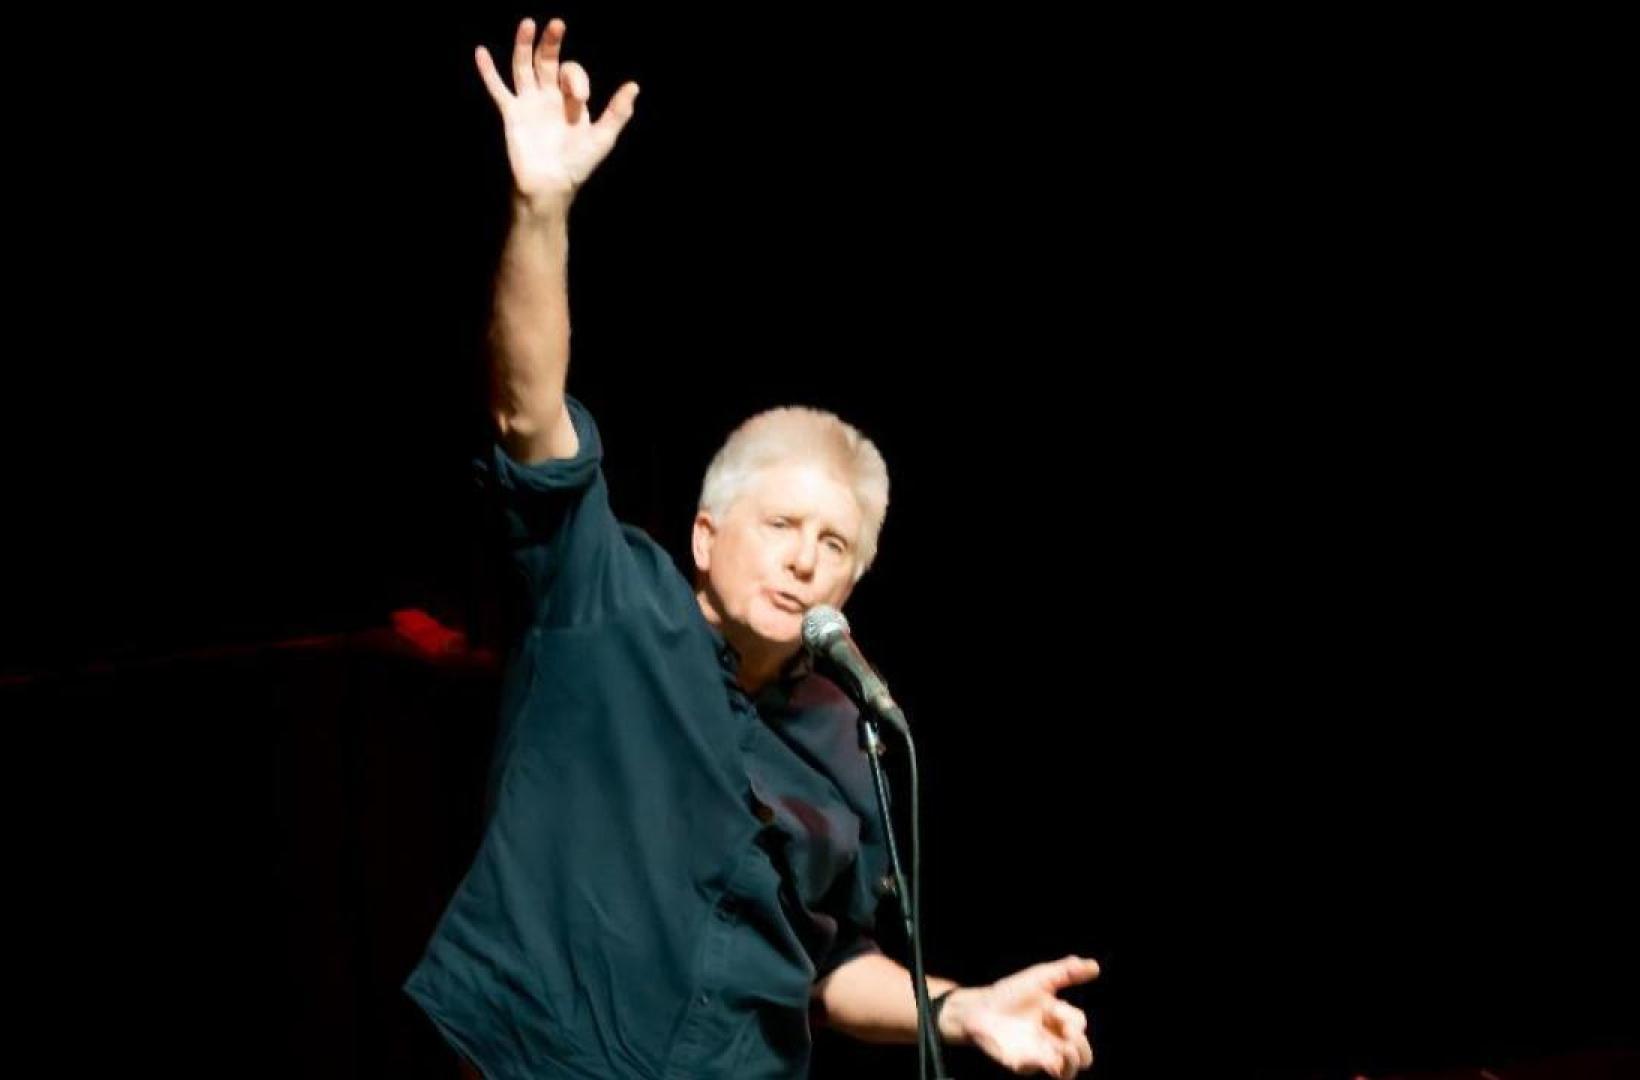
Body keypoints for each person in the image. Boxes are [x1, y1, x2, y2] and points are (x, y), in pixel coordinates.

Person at [405, 16, 1098, 1078]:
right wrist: (541, 211)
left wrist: (959, 1009)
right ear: (705, 533)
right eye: (780, 526)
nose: (805, 558)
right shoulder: (608, 593)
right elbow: (527, 412)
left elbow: (832, 969)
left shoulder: (848, 734)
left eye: (835, 543)